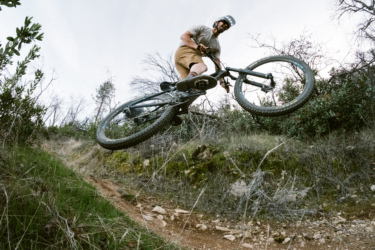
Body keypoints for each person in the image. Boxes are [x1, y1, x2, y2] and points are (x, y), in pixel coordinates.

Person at [174, 15, 236, 93]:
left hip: (187, 63)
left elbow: (218, 66)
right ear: (216, 23)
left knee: (190, 91)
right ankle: (190, 78)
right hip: (184, 51)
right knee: (202, 66)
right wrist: (196, 47)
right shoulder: (203, 29)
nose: (226, 26)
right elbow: (184, 36)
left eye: (227, 27)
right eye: (224, 22)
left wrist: (221, 82)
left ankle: (171, 94)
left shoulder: (216, 47)